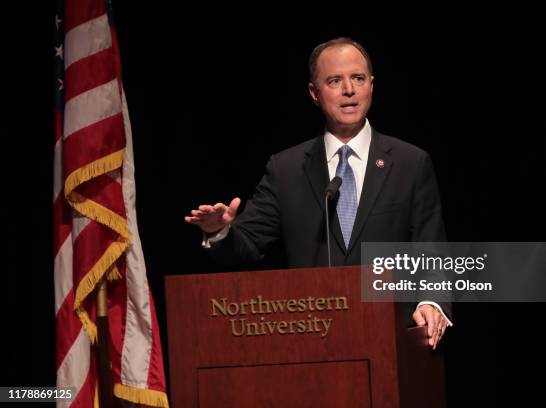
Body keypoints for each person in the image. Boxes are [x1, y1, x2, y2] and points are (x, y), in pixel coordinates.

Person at [185, 37, 451, 348]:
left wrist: (431, 302)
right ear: (314, 93)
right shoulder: (286, 170)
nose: (348, 90)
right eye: (335, 80)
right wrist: (219, 231)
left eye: (358, 78)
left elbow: (431, 251)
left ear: (371, 85)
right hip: (313, 344)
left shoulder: (411, 163)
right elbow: (248, 244)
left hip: (393, 344)